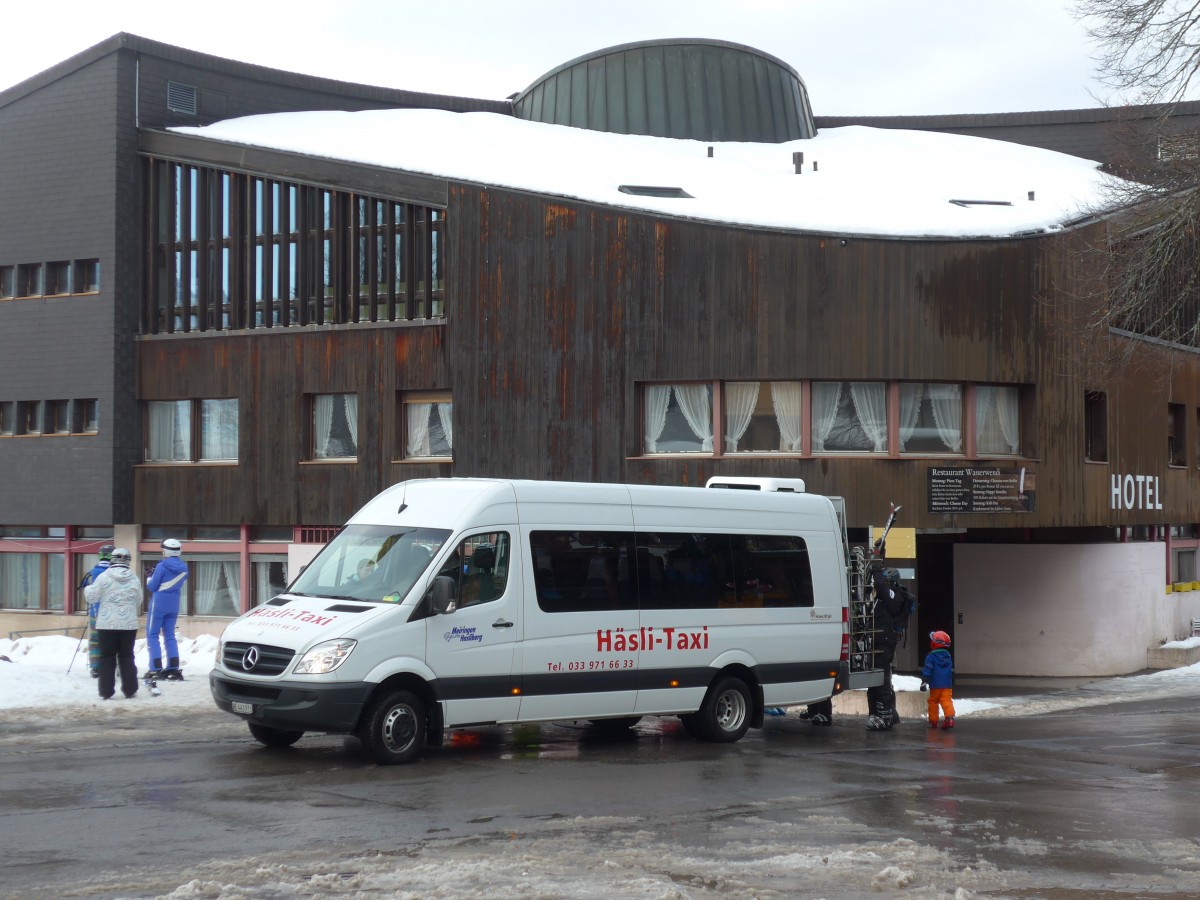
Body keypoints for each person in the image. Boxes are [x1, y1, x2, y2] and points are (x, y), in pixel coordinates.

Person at [84, 547, 142, 700]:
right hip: (128, 624)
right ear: (128, 560)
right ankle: (130, 689)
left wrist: (87, 588)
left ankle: (106, 691)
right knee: (127, 656)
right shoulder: (134, 578)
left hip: (106, 623)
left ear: (112, 559)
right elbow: (139, 600)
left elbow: (92, 597)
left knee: (106, 657)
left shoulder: (103, 577)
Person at [866, 566, 910, 731]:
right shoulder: (881, 598)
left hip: (885, 642)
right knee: (874, 681)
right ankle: (875, 714)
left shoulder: (895, 596)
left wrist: (875, 571)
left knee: (882, 680)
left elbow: (881, 587)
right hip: (877, 641)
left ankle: (886, 717)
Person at [146, 538, 189, 681]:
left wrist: (149, 577)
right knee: (169, 635)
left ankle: (155, 668)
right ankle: (173, 668)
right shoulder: (184, 567)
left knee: (152, 635)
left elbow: (152, 587)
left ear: (166, 550)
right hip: (174, 604)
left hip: (158, 603)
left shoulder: (162, 566)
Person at [77, 544, 114, 678]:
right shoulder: (114, 573)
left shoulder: (92, 572)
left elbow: (86, 590)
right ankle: (111, 667)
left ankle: (95, 668)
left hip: (94, 612)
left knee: (94, 641)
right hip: (111, 614)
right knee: (111, 642)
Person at [920, 630, 956, 730]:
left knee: (933, 701)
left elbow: (928, 669)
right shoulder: (948, 656)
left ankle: (933, 721)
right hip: (947, 685)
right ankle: (950, 718)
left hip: (935, 685)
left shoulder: (931, 656)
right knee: (947, 701)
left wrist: (924, 681)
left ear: (934, 643)